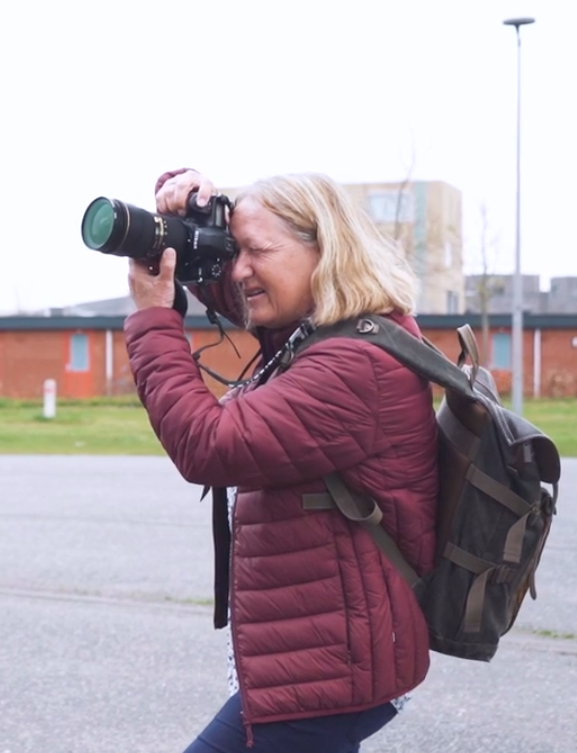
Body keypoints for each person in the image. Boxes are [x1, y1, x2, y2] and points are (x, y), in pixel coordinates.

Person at [124, 168, 439, 752]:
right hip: (326, 656)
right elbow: (248, 292)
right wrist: (196, 214)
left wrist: (152, 320)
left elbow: (208, 445)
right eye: (234, 250)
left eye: (257, 251)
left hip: (329, 671)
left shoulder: (354, 365)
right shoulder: (328, 330)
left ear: (324, 250)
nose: (240, 270)